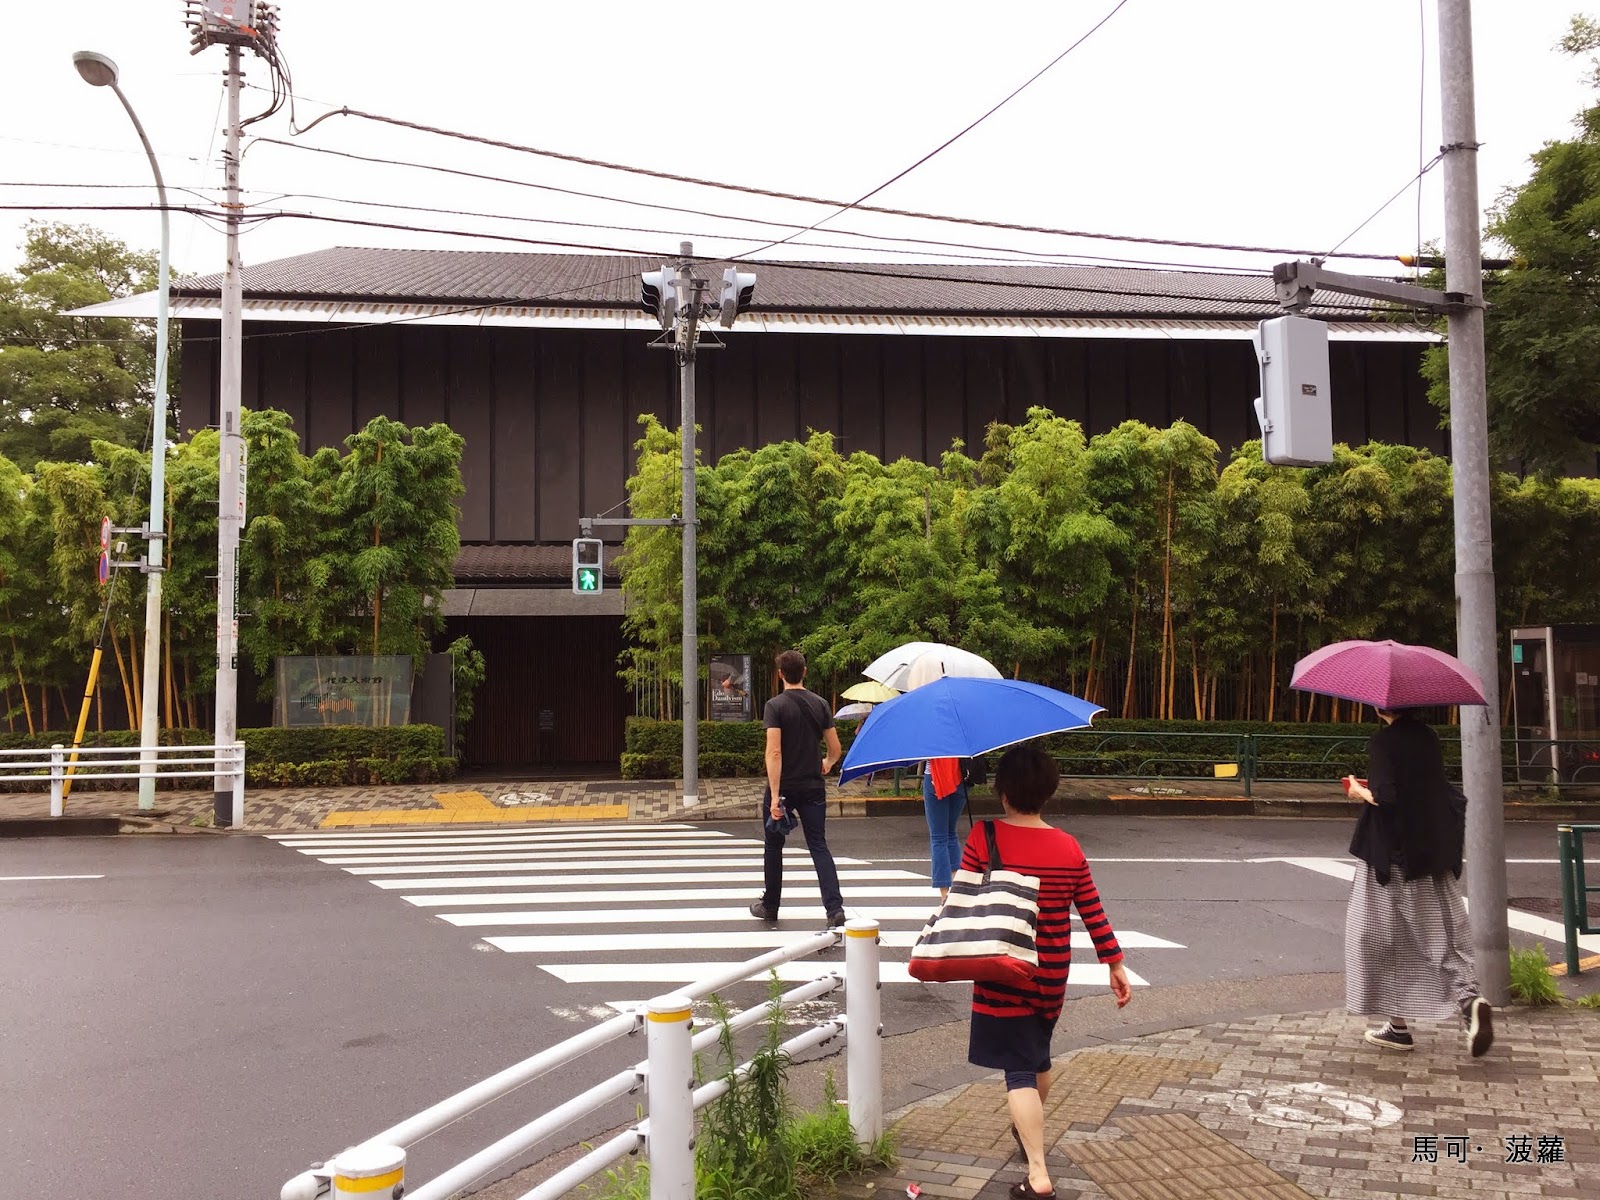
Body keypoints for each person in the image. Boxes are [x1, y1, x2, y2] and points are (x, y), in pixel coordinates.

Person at [962, 746, 1131, 1200]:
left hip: (1003, 965)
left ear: (1002, 791)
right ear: (1048, 792)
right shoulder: (1068, 847)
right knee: (1037, 1057)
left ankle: (1038, 1175)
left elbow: (964, 900)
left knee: (1018, 1069)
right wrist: (1114, 964)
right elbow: (1092, 911)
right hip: (1052, 971)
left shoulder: (984, 836)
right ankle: (1027, 1127)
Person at [1343, 706, 1492, 1057]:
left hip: (1391, 858)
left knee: (1378, 939)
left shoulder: (1383, 741)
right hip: (1431, 852)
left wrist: (1357, 790)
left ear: (1380, 706)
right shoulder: (1428, 737)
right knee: (1442, 935)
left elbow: (1386, 796)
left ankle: (1399, 1026)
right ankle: (1466, 1000)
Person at [749, 649, 846, 928]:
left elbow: (774, 752)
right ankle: (834, 909)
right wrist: (826, 763)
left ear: (780, 674)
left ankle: (770, 906)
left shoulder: (775, 706)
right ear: (804, 671)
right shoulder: (820, 704)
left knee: (773, 845)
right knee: (818, 845)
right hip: (813, 786)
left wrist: (774, 797)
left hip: (784, 787)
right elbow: (835, 748)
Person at [923, 757, 973, 900]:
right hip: (960, 778)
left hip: (935, 778)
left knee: (939, 838)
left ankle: (945, 895)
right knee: (951, 832)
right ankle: (958, 886)